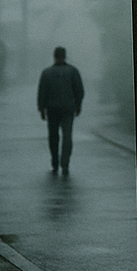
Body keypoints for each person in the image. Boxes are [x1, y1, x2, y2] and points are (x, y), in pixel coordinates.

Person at [37, 46, 84, 175]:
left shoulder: (46, 73)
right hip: (68, 109)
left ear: (54, 56)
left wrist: (41, 108)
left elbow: (42, 92)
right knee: (67, 136)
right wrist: (78, 104)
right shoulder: (73, 71)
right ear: (65, 56)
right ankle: (65, 161)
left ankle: (55, 160)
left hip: (52, 110)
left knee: (53, 136)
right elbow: (79, 89)